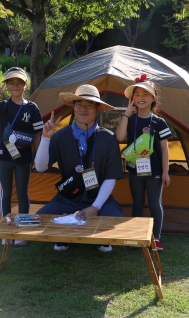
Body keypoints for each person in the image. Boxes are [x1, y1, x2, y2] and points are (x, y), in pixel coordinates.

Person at [35, 84, 124, 252]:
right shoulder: (60, 135)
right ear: (73, 107)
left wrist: (95, 207)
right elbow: (40, 167)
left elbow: (111, 176)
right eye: (79, 104)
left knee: (116, 220)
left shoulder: (107, 137)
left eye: (89, 104)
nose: (83, 109)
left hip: (98, 198)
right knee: (41, 219)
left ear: (97, 108)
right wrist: (46, 138)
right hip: (67, 197)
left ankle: (100, 238)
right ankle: (64, 235)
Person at [0, 67, 43, 245]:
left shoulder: (32, 108)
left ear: (25, 85)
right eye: (11, 83)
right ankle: (6, 231)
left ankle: (22, 232)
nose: (15, 86)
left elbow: (37, 135)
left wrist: (38, 156)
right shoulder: (3, 106)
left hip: (24, 157)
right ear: (6, 86)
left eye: (19, 83)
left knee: (22, 193)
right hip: (4, 157)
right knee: (5, 193)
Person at [116, 75, 171, 251]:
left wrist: (165, 172)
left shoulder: (159, 122)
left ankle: (156, 238)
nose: (141, 97)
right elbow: (120, 137)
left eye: (145, 94)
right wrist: (126, 113)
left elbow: (164, 149)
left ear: (153, 98)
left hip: (154, 173)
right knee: (137, 203)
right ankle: (137, 235)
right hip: (134, 171)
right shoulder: (130, 119)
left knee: (155, 204)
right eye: (137, 94)